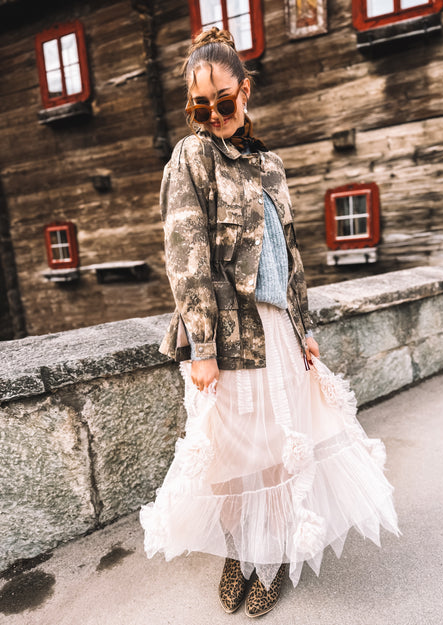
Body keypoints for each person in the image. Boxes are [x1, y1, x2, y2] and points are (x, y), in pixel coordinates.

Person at [140, 27, 399, 618]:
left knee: (281, 443)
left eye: (223, 101)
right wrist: (202, 346)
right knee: (231, 451)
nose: (212, 115)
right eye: (198, 106)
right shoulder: (191, 158)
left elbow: (291, 255)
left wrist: (305, 328)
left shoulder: (271, 166)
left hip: (279, 331)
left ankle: (274, 552)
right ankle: (239, 551)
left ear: (245, 91)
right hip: (226, 335)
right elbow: (186, 257)